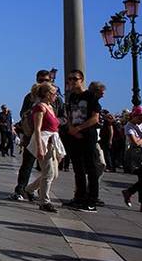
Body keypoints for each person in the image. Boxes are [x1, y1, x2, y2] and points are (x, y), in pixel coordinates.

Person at [12, 69, 62, 202]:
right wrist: (33, 113)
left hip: (50, 137)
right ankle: (21, 190)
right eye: (40, 80)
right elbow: (23, 113)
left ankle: (37, 189)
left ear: (50, 80)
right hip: (32, 136)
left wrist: (54, 123)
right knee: (27, 165)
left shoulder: (56, 98)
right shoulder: (30, 97)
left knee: (50, 170)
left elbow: (63, 116)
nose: (43, 82)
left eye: (46, 80)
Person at [25, 81, 65, 213]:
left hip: (53, 142)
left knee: (54, 174)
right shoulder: (40, 107)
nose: (56, 96)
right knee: (48, 173)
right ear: (47, 94)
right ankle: (44, 202)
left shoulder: (51, 107)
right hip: (44, 142)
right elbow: (37, 129)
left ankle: (30, 189)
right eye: (54, 93)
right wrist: (40, 148)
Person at [65, 71, 102, 211]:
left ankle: (92, 200)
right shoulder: (72, 97)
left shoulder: (90, 96)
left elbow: (95, 118)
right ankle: (79, 197)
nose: (72, 81)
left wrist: (79, 128)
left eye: (75, 78)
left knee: (90, 167)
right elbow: (69, 115)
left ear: (82, 80)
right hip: (74, 136)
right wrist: (71, 128)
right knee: (78, 168)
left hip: (88, 135)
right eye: (70, 79)